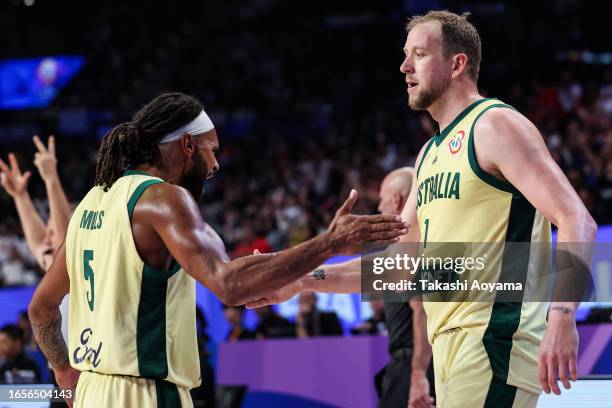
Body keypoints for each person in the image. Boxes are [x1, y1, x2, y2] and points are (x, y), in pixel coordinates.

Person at [249, 11, 598, 408]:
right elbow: (400, 267)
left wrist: (563, 316)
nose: (404, 66)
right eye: (404, 55)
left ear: (457, 64)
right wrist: (304, 278)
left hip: (494, 345)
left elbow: (577, 220)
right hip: (451, 351)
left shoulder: (494, 125)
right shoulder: (428, 156)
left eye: (418, 54)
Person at [27, 92, 408, 407]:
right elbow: (229, 283)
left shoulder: (93, 202)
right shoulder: (163, 199)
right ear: (188, 145)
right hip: (144, 393)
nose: (216, 164)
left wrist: (63, 371)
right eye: (212, 150)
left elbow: (41, 307)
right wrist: (330, 242)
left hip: (93, 390)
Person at [248, 167, 435, 408]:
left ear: (397, 200)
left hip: (419, 364)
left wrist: (418, 374)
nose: (379, 208)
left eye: (382, 200)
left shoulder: (421, 247)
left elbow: (420, 311)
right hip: (414, 363)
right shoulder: (406, 253)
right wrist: (299, 278)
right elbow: (353, 272)